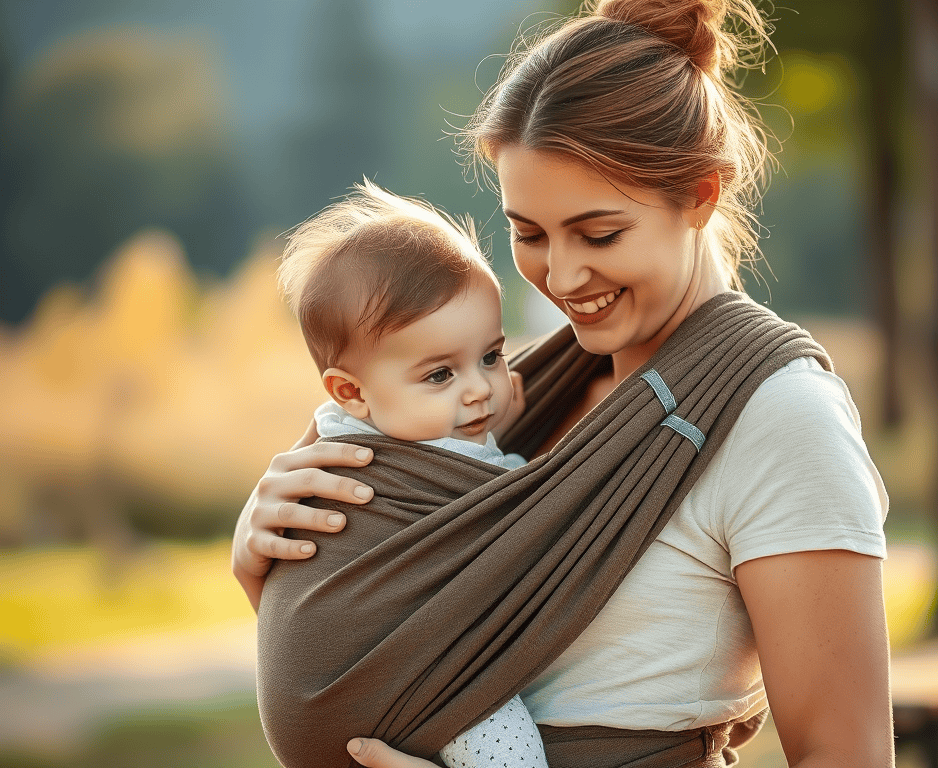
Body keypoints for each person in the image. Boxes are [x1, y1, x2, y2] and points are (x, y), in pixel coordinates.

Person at [234, 0, 895, 766]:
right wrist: (274, 563)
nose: (562, 276)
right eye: (529, 233)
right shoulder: (520, 388)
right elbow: (413, 643)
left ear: (702, 195)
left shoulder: (778, 418)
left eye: (600, 233)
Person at [265, 180, 550, 768]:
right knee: (505, 735)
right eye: (440, 375)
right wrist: (521, 462)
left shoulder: (340, 430)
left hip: (324, 710)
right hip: (407, 686)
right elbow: (526, 513)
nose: (479, 390)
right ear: (351, 391)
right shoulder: (410, 468)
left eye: (491, 357)